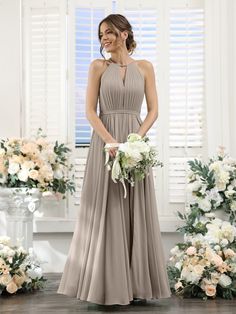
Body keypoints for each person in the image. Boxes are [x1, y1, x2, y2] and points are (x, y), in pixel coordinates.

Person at [57, 13, 171, 305]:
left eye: (108, 32)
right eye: (100, 35)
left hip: (134, 147)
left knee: (134, 207)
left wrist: (135, 141)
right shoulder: (97, 66)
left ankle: (136, 287)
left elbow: (153, 111)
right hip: (105, 145)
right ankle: (105, 286)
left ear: (124, 33)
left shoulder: (145, 67)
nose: (104, 38)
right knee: (107, 207)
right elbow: (90, 112)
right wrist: (111, 141)